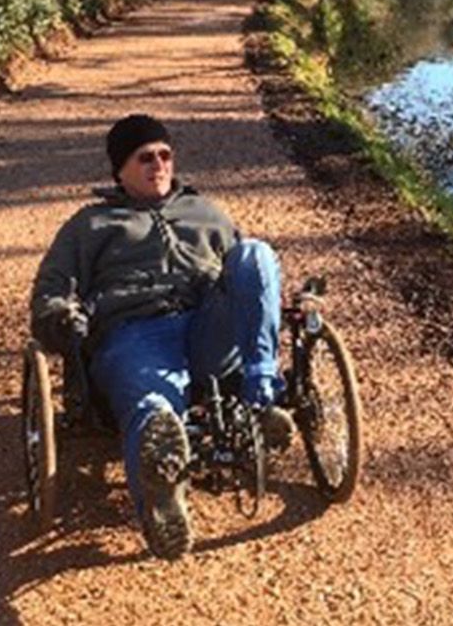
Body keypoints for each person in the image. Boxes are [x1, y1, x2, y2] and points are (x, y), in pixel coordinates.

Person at [29, 114, 293, 559]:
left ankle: (261, 397)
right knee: (153, 407)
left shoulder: (205, 211)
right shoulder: (90, 225)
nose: (159, 165)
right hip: (134, 334)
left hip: (208, 329)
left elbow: (249, 285)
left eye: (165, 155)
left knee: (256, 254)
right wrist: (58, 316)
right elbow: (50, 290)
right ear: (120, 169)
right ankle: (160, 497)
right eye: (145, 157)